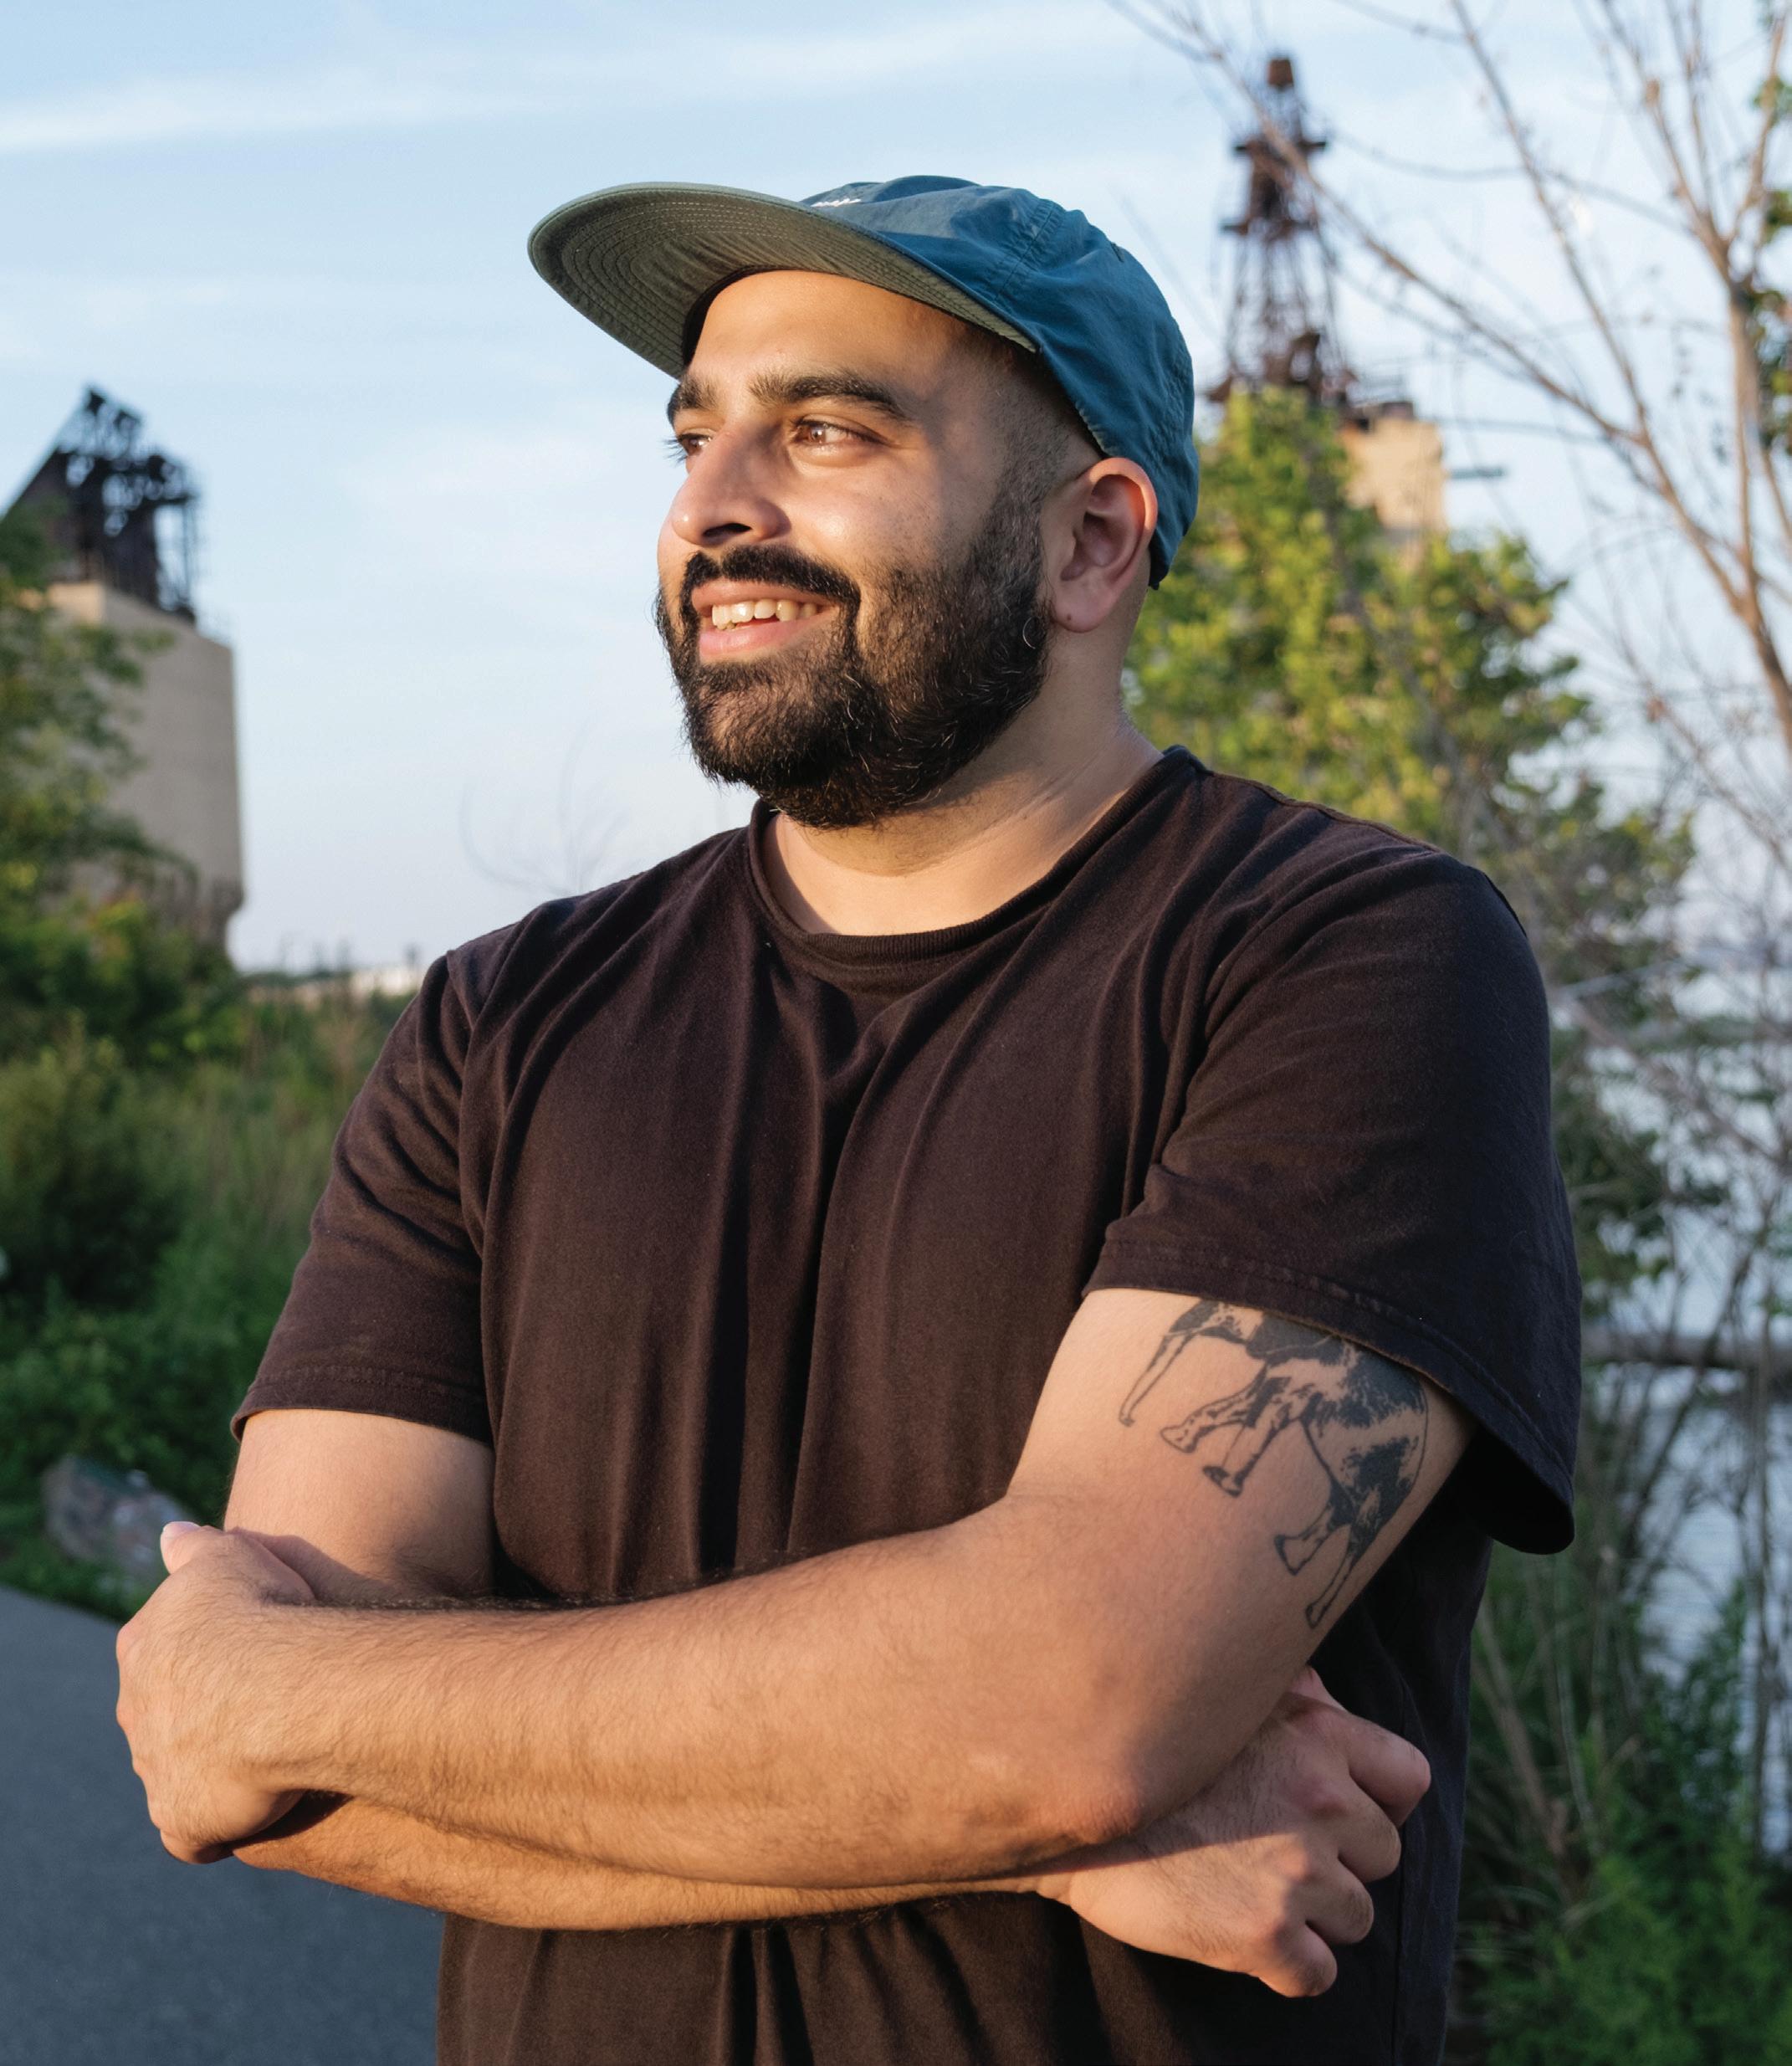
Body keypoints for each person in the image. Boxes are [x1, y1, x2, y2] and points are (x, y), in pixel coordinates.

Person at [115, 176, 1581, 2066]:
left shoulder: (1348, 959)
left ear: (1091, 541)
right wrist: (1040, 1825)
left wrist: (1047, 1759)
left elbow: (1073, 1695)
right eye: (694, 436)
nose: (714, 506)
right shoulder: (499, 1023)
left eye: (824, 431)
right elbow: (245, 1769)